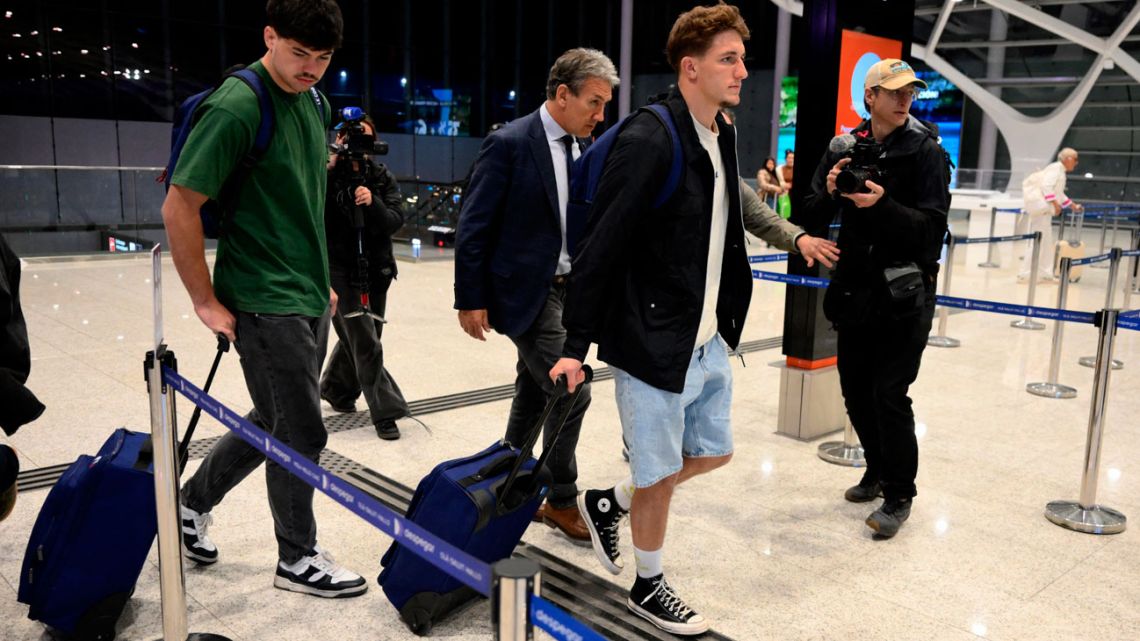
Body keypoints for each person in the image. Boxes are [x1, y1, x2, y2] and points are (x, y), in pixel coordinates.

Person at [550, 4, 753, 634]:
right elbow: (601, 244)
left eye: (742, 58)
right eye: (729, 59)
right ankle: (649, 584)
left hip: (704, 333)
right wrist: (574, 343)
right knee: (659, 474)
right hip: (650, 337)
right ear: (690, 68)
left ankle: (610, 501)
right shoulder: (648, 139)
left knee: (713, 452)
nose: (743, 70)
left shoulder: (721, 131)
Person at [162, 0, 367, 598]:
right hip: (261, 296)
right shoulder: (239, 105)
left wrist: (319, 277)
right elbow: (180, 205)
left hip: (304, 290)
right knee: (302, 432)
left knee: (274, 415)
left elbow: (299, 198)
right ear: (269, 37)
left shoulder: (315, 101)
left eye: (323, 58)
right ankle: (297, 559)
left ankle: (190, 504)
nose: (310, 68)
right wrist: (204, 300)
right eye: (299, 53)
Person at [453, 48, 619, 546]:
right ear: (562, 94)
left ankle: (509, 478)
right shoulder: (510, 143)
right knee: (571, 389)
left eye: (605, 104)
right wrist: (470, 296)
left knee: (534, 390)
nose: (600, 115)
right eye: (594, 102)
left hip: (570, 290)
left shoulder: (581, 147)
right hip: (526, 291)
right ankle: (561, 498)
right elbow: (474, 224)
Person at [805, 58, 950, 538]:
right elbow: (806, 209)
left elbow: (932, 230)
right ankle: (876, 468)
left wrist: (882, 205)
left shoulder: (926, 151)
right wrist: (829, 191)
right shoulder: (846, 147)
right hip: (855, 288)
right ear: (870, 97)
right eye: (893, 91)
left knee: (890, 393)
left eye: (909, 90)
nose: (903, 98)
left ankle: (900, 492)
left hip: (905, 293)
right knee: (854, 390)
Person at [320, 114, 410, 441]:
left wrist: (371, 203)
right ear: (339, 140)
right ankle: (386, 412)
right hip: (339, 271)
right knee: (364, 341)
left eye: (366, 140)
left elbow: (394, 221)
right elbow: (307, 214)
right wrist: (324, 169)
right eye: (351, 139)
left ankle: (336, 390)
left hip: (377, 270)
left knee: (363, 336)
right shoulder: (324, 176)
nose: (359, 146)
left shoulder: (381, 178)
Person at [1019, 148, 1082, 282]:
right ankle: (1026, 274)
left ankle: (1044, 273)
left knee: (1046, 243)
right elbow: (1046, 187)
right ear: (1069, 159)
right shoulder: (1055, 169)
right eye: (1075, 159)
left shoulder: (1060, 170)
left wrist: (1072, 205)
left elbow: (1059, 193)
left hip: (1046, 212)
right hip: (1042, 211)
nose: (1076, 163)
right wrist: (1055, 204)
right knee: (1038, 241)